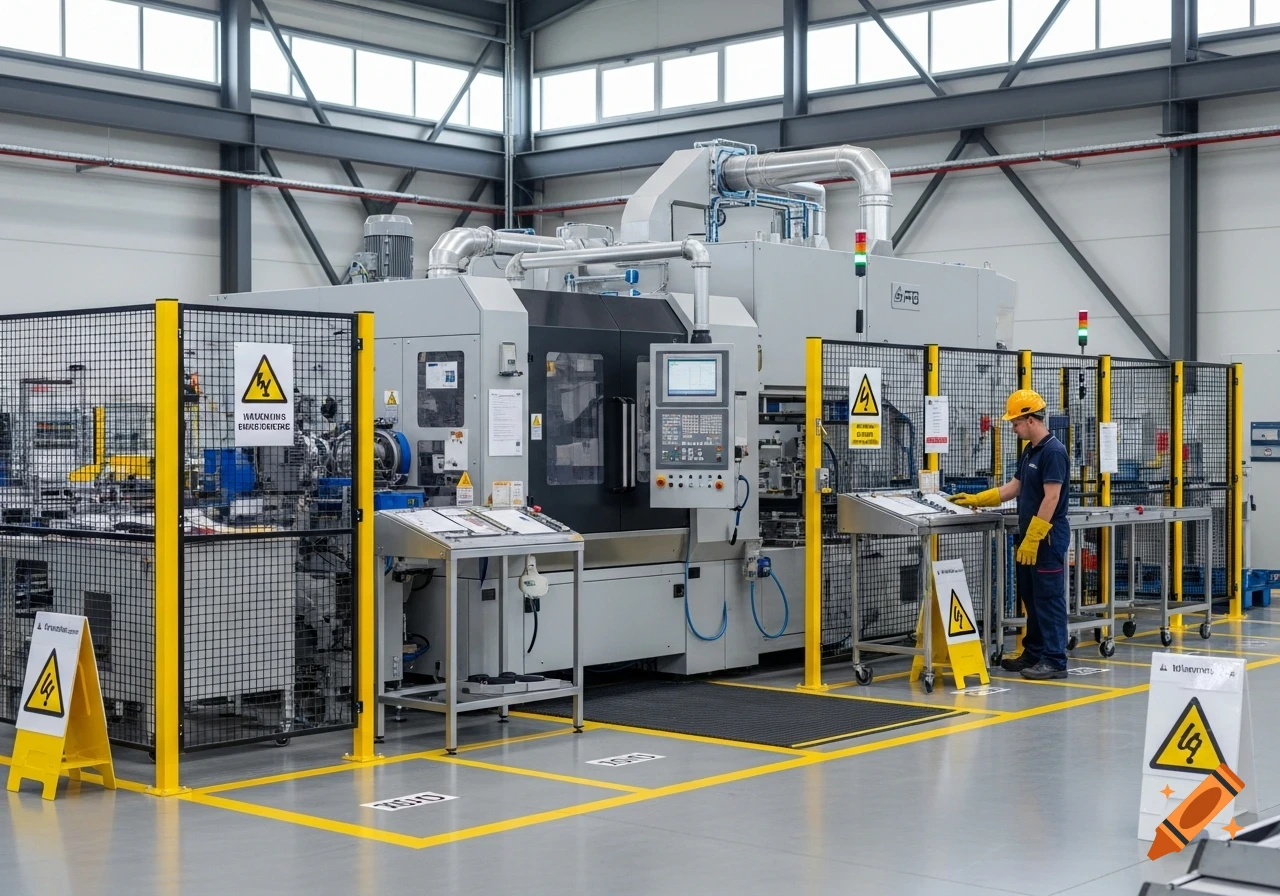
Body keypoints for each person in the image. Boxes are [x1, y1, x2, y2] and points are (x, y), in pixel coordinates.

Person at [949, 389, 1070, 680]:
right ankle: (1034, 652)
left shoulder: (1053, 452)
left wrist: (1033, 537)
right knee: (1031, 597)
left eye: (1015, 423)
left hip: (1046, 539)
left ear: (1030, 419)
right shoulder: (1031, 450)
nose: (1013, 428)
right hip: (1030, 537)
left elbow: (1051, 498)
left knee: (1049, 598)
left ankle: (1055, 660)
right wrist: (978, 499)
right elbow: (1013, 488)